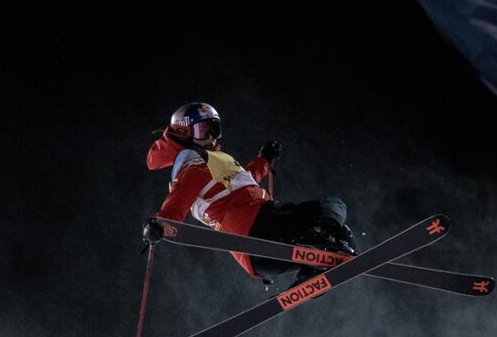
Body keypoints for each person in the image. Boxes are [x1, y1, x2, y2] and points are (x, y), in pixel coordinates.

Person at [141, 102, 356, 286]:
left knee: (339, 232)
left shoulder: (214, 165)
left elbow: (245, 180)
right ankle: (323, 245)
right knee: (333, 207)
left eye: (215, 130)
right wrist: (160, 225)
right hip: (261, 228)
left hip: (257, 259)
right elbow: (178, 201)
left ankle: (316, 263)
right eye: (205, 130)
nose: (212, 137)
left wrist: (264, 160)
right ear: (184, 133)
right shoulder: (194, 163)